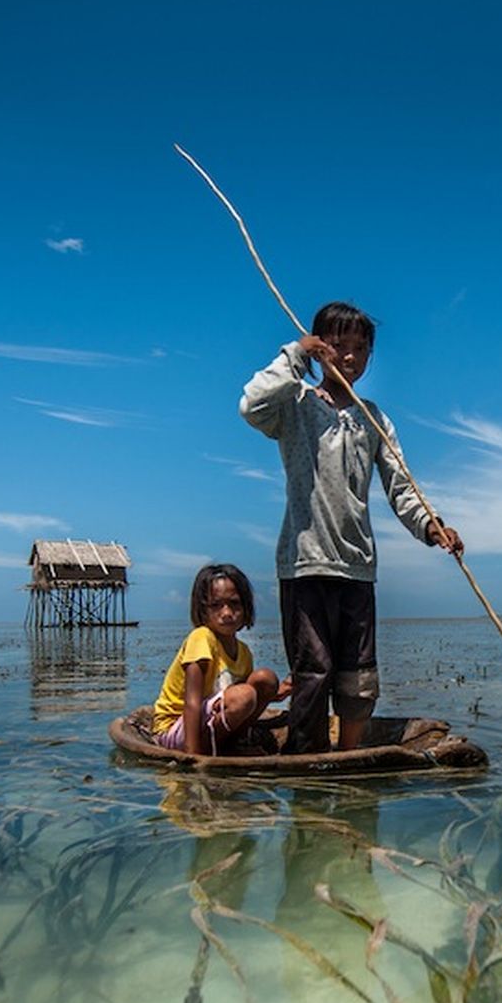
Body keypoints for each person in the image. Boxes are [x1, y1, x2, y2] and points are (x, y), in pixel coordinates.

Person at [241, 301, 462, 754]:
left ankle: (349, 758)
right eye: (337, 346)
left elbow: (402, 488)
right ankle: (309, 763)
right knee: (313, 672)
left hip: (358, 568)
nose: (350, 356)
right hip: (305, 565)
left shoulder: (375, 419)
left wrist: (431, 526)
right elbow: (251, 403)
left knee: (359, 676)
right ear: (320, 348)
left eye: (360, 348)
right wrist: (296, 354)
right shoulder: (295, 406)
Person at [151, 564, 288, 755]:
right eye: (216, 605)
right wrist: (193, 756)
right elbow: (192, 702)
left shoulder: (244, 652)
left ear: (245, 607)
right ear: (203, 609)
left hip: (208, 722)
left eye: (234, 604)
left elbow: (247, 701)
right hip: (177, 728)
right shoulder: (201, 637)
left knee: (265, 678)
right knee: (243, 695)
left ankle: (233, 742)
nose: (226, 613)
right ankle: (209, 748)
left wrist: (279, 690)